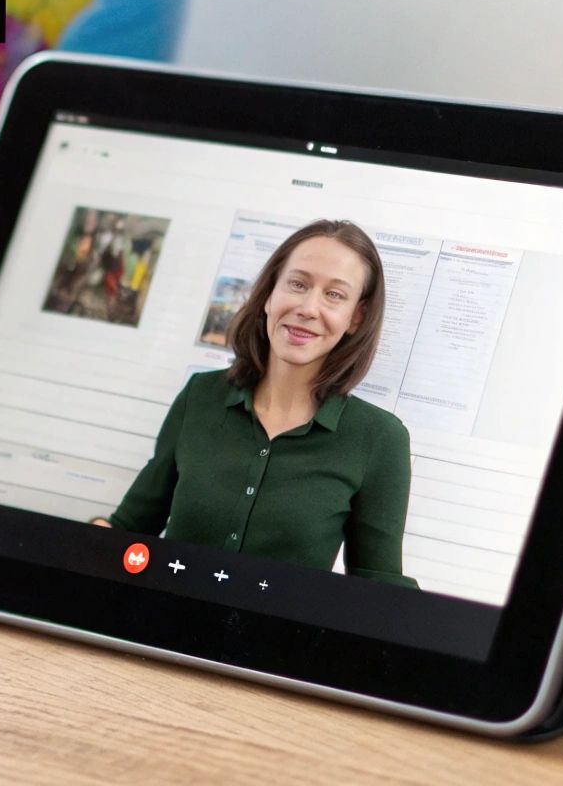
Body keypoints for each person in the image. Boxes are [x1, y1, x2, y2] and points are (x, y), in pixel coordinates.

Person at [94, 219, 417, 589]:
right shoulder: (200, 396)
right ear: (269, 294)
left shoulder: (379, 439)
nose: (309, 307)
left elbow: (379, 589)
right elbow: (131, 529)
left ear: (355, 318)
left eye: (334, 295)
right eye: (297, 284)